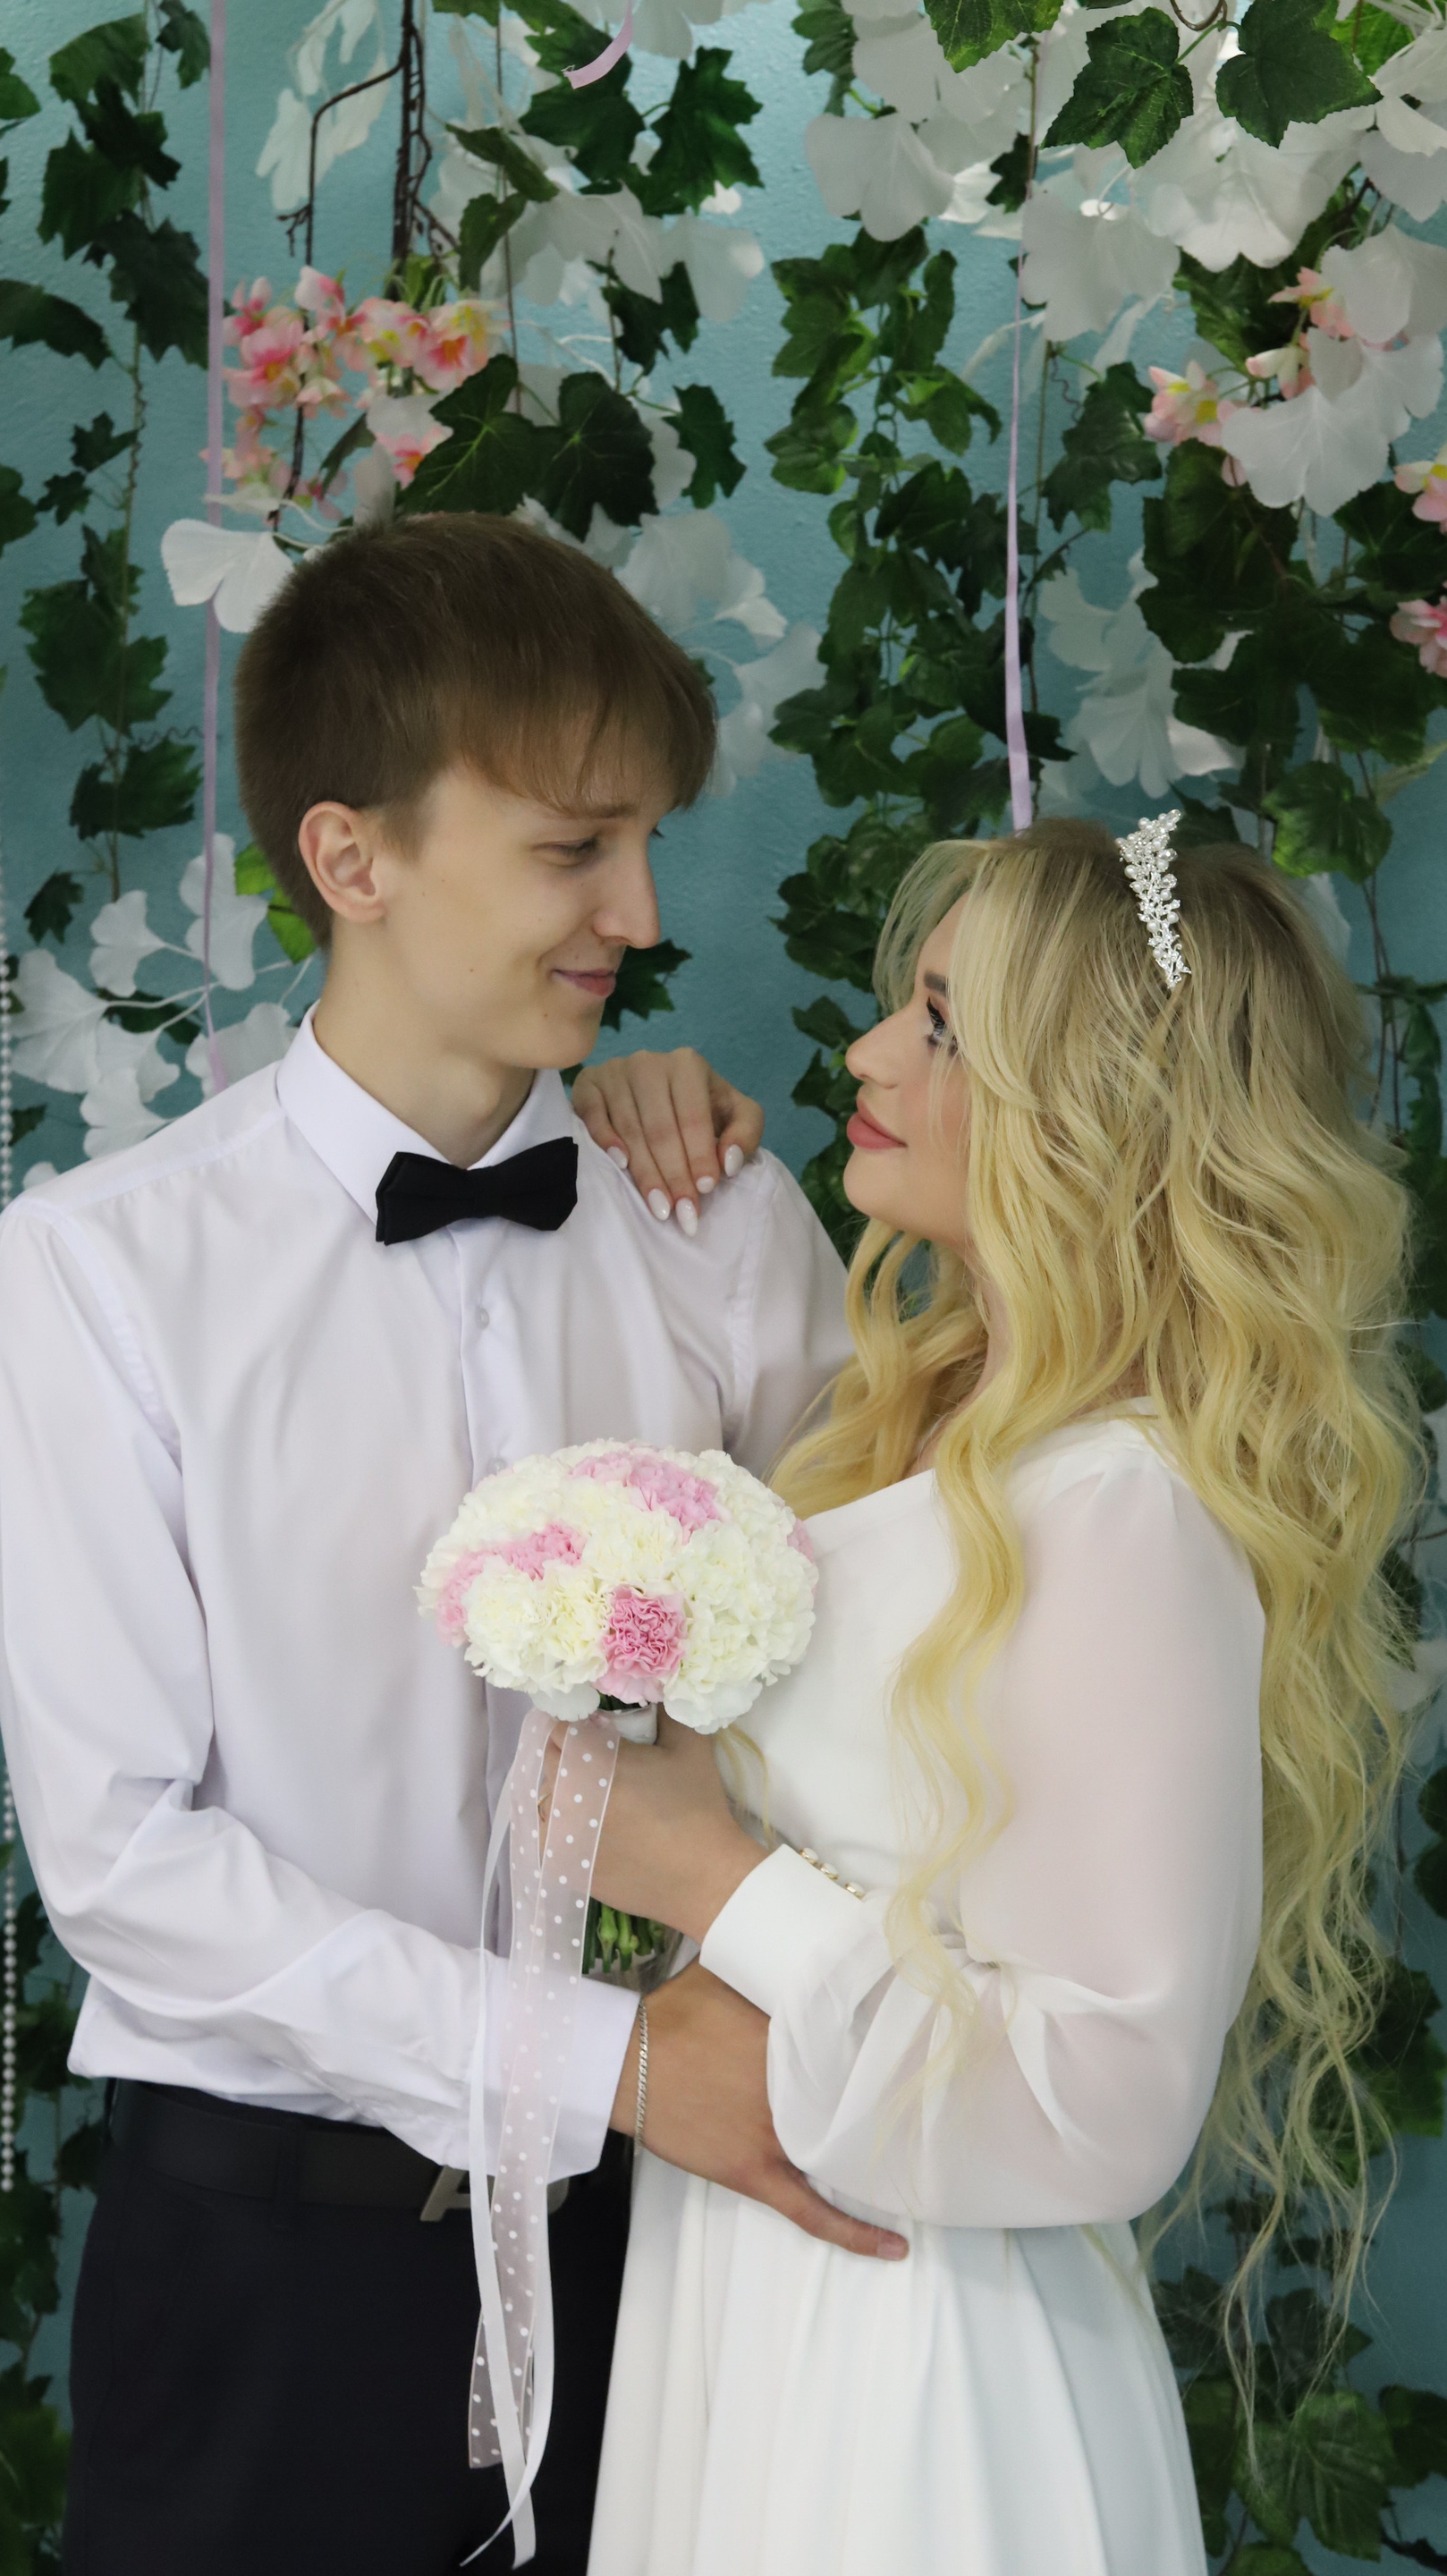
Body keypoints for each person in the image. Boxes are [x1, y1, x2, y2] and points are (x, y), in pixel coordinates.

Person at [0, 511, 905, 2576]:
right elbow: (125, 1863)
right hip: (267, 2277)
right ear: (353, 857)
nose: (639, 914)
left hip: (685, 2256)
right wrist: (612, 2064)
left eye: (644, 843)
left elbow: (865, 1697)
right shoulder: (105, 1270)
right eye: (575, 850)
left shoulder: (720, 1223)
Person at [566, 816, 1417, 2575]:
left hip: (918, 2369)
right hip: (769, 2298)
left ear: (1096, 1104)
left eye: (943, 1027)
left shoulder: (1123, 1512)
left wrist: (713, 1879)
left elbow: (1105, 2099)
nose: (869, 1055)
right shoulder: (923, 1439)